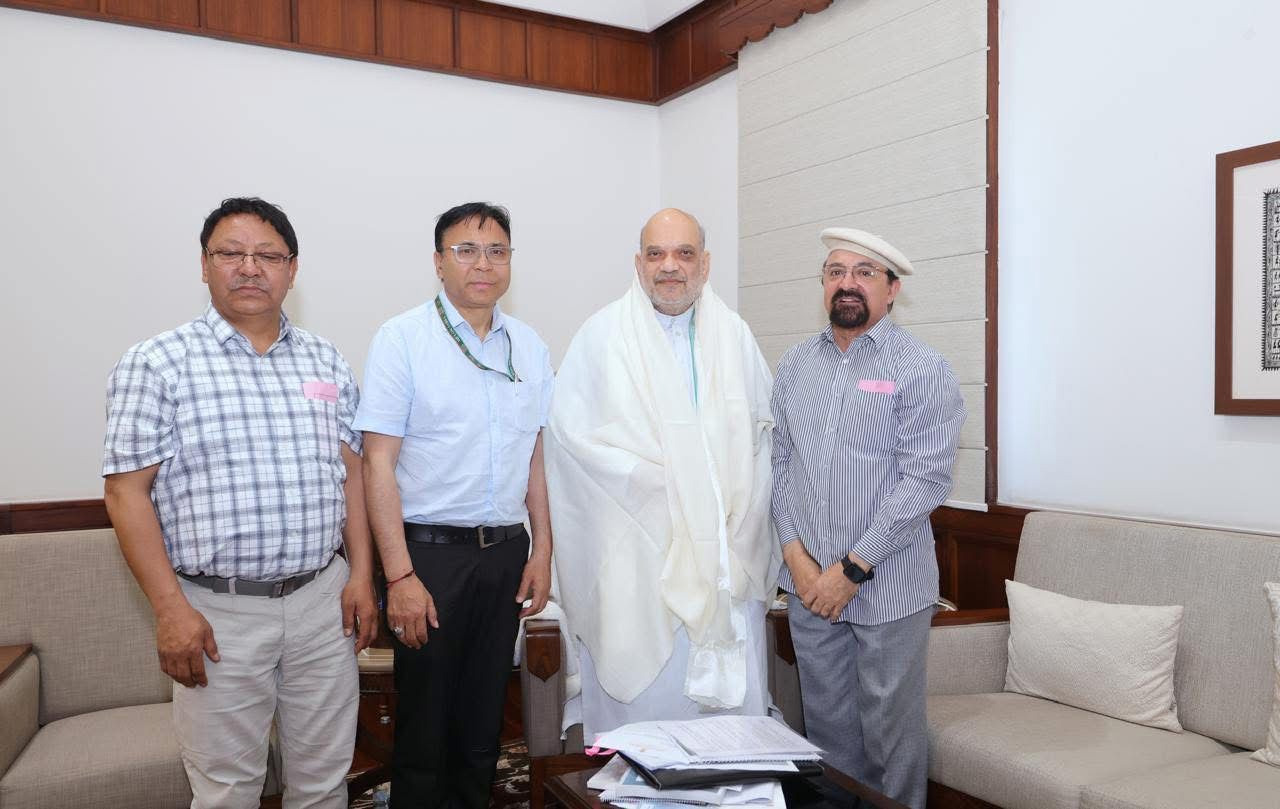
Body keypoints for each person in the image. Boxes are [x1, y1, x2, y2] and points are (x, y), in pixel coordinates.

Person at [102, 197, 378, 809]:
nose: (250, 267)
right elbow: (125, 493)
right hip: (216, 612)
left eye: (268, 256)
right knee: (227, 790)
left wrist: (361, 575)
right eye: (231, 253)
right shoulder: (156, 363)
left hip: (321, 603)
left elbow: (352, 475)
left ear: (292, 269)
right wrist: (170, 610)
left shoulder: (325, 359)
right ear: (204, 265)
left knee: (324, 781)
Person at [545, 208, 779, 742]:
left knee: (727, 742)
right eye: (656, 254)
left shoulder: (736, 336)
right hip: (635, 558)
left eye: (684, 253)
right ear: (638, 263)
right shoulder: (601, 336)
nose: (669, 266)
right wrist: (669, 489)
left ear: (705, 264)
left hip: (724, 559)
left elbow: (763, 444)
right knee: (644, 736)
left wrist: (720, 512)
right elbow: (572, 444)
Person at [355, 202, 553, 809]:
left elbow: (535, 456)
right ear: (439, 263)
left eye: (496, 251)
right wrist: (400, 576)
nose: (482, 264)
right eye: (466, 250)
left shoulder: (529, 346)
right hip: (429, 558)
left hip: (506, 553)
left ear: (511, 261)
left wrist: (543, 549)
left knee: (484, 721)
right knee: (425, 725)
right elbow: (377, 463)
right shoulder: (403, 339)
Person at [770, 227, 965, 808]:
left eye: (864, 272)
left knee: (890, 743)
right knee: (828, 744)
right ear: (823, 284)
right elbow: (779, 466)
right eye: (836, 271)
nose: (847, 283)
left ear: (892, 289)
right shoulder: (795, 366)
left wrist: (851, 569)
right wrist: (796, 558)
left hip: (889, 589)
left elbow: (925, 479)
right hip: (810, 591)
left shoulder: (923, 368)